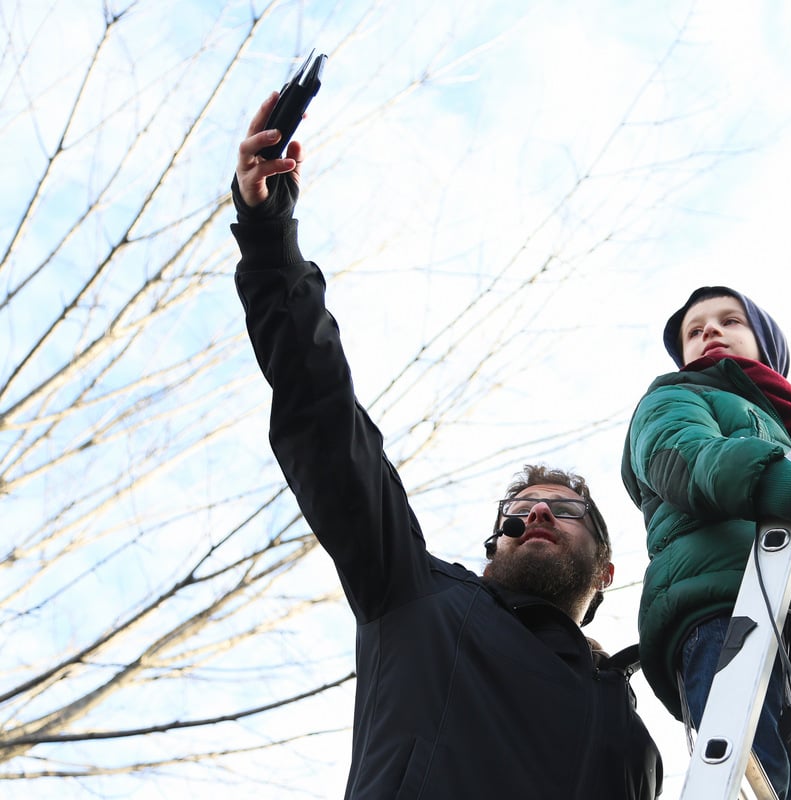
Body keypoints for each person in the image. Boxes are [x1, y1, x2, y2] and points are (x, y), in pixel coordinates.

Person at [230, 92, 662, 800]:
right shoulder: (414, 592)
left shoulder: (629, 734)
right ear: (492, 545)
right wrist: (269, 235)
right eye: (519, 509)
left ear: (607, 573)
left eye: (563, 508)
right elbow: (323, 414)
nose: (538, 514)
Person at [621, 285, 791, 798]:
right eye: (695, 330)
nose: (711, 332)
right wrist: (768, 477)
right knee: (749, 777)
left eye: (730, 321)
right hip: (726, 614)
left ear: (765, 343)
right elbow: (681, 454)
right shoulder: (675, 396)